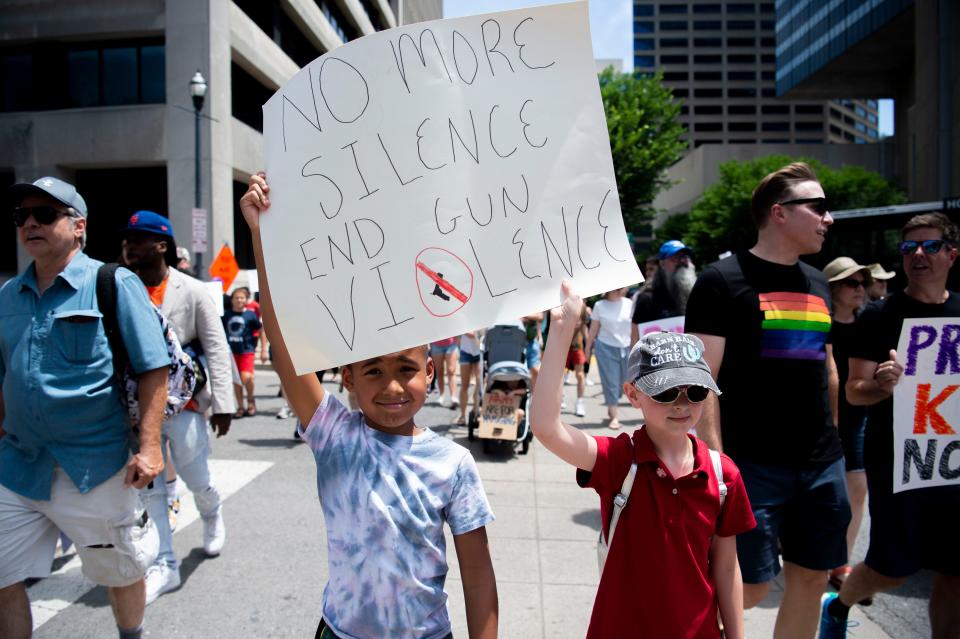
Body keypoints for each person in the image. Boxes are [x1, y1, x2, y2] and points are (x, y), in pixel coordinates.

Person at [240, 172, 498, 639]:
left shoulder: (454, 464)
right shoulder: (334, 435)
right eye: (374, 370)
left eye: (406, 368)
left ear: (431, 373)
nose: (393, 387)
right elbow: (283, 345)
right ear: (349, 378)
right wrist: (262, 235)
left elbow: (479, 578)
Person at [530, 282, 756, 638]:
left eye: (695, 391)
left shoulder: (722, 474)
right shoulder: (619, 460)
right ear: (633, 395)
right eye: (665, 391)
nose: (681, 403)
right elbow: (546, 426)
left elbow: (727, 568)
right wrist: (562, 328)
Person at [684, 162, 851, 639]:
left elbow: (829, 368)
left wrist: (833, 443)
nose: (828, 218)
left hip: (821, 463)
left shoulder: (819, 283)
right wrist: (716, 463)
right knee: (748, 587)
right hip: (751, 466)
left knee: (811, 577)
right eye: (817, 207)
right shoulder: (721, 281)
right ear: (779, 213)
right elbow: (701, 379)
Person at [0, 177, 170, 639]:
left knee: (121, 571)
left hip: (94, 468)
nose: (31, 222)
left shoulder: (112, 283)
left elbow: (155, 368)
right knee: (2, 578)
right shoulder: (7, 297)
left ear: (79, 226)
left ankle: (131, 635)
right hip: (18, 467)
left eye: (45, 214)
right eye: (22, 217)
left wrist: (151, 448)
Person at [820, 213, 960, 639]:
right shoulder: (881, 316)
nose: (918, 254)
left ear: (952, 254)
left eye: (930, 246)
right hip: (902, 461)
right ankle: (839, 606)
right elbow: (854, 391)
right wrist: (883, 386)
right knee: (893, 569)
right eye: (909, 247)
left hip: (953, 462)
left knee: (955, 569)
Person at [120, 210, 234, 604]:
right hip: (136, 409)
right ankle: (164, 563)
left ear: (162, 245)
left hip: (183, 403)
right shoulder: (120, 288)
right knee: (149, 489)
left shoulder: (193, 290)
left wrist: (223, 402)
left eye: (140, 239)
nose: (131, 246)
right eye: (128, 240)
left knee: (196, 475)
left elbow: (216, 347)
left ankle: (211, 512)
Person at [821, 257, 873, 594]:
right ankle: (809, 552)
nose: (859, 289)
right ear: (833, 289)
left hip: (859, 419)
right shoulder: (820, 325)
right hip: (819, 420)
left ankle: (840, 563)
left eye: (862, 283)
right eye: (851, 283)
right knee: (821, 494)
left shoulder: (871, 322)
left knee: (857, 489)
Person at [586, 288, 634, 430]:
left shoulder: (629, 303)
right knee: (611, 382)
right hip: (605, 348)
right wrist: (587, 349)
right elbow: (593, 329)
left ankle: (612, 403)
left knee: (624, 383)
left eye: (621, 287)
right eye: (616, 288)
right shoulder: (599, 305)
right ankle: (614, 416)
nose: (619, 290)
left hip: (626, 347)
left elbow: (634, 326)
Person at [631, 240, 697, 343]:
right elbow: (635, 340)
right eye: (675, 257)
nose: (682, 261)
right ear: (662, 264)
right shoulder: (647, 299)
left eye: (685, 257)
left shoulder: (696, 297)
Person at [223, 287, 262, 417]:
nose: (239, 300)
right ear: (232, 299)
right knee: (236, 381)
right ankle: (240, 406)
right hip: (231, 352)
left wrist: (263, 350)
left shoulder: (250, 315)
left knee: (246, 377)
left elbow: (261, 330)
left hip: (247, 351)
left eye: (242, 298)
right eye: (236, 298)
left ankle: (250, 399)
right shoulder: (226, 315)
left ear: (246, 300)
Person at [564, 303, 589, 417]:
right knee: (559, 376)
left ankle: (580, 402)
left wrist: (588, 348)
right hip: (563, 347)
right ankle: (560, 398)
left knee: (580, 375)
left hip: (577, 346)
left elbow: (584, 328)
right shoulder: (563, 304)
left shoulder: (582, 306)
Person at [456, 330, 482, 426]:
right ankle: (462, 415)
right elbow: (469, 333)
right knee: (465, 385)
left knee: (480, 383)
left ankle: (475, 412)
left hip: (480, 351)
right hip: (466, 350)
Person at [430, 336, 459, 408]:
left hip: (451, 343)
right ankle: (441, 395)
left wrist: (458, 338)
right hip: (436, 344)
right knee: (439, 372)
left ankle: (454, 397)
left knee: (451, 371)